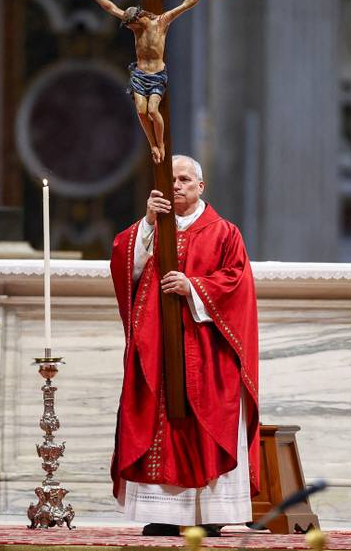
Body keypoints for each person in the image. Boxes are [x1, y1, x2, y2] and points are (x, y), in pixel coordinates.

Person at [109, 155, 260, 536]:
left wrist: (193, 286)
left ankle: (209, 515)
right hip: (159, 349)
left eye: (185, 179)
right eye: (171, 180)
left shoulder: (224, 232)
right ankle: (164, 514)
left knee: (206, 425)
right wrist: (146, 221)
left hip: (207, 351)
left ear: (200, 186)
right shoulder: (153, 228)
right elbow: (126, 264)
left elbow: (237, 283)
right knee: (158, 424)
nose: (177, 186)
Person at [74, 0, 222, 164]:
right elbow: (111, 8)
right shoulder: (135, 28)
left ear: (139, 18)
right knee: (141, 111)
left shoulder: (161, 22)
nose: (128, 27)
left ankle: (160, 144)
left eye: (130, 24)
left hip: (156, 75)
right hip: (139, 74)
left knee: (153, 111)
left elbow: (186, 4)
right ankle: (152, 144)